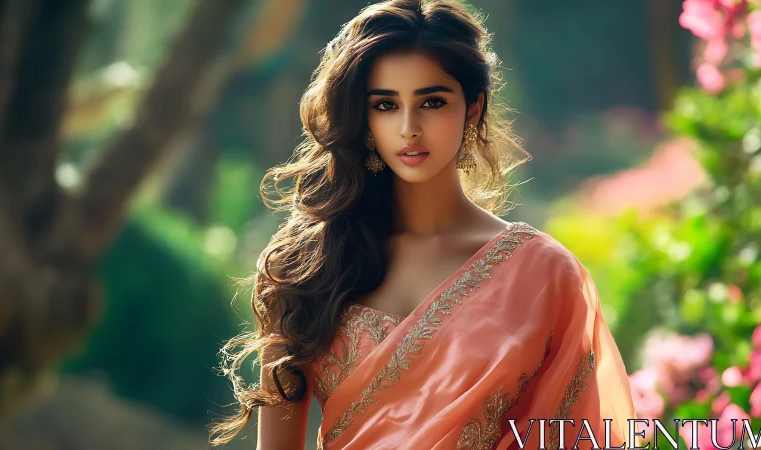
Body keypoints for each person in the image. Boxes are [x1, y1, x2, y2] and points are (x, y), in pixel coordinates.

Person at [209, 1, 638, 449]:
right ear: (364, 117)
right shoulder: (310, 262)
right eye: (386, 105)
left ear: (473, 108)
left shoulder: (543, 274)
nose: (409, 127)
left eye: (432, 102)